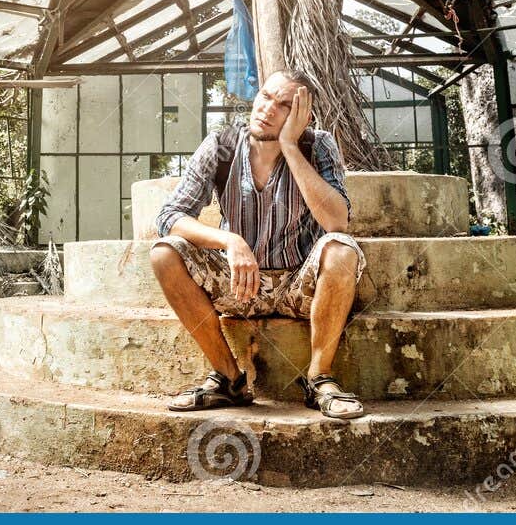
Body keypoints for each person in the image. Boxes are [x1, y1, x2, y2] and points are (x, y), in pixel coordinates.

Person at [149, 69, 367, 419]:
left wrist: (291, 147)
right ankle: (229, 380)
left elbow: (336, 221)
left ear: (301, 116)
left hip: (299, 284)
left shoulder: (318, 145)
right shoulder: (221, 144)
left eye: (283, 105)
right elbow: (170, 215)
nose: (267, 109)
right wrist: (230, 240)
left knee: (341, 247)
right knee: (164, 253)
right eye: (265, 97)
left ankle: (319, 379)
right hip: (239, 284)